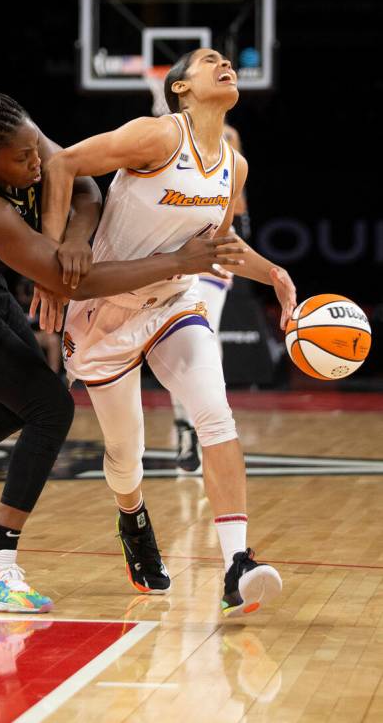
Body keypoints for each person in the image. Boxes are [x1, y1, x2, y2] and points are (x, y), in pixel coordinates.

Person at [0, 71, 243, 614]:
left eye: (33, 150)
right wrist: (176, 263)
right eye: (22, 162)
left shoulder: (16, 135)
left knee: (32, 397)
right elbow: (81, 284)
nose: (36, 165)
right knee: (50, 407)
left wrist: (64, 241)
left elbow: (83, 185)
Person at [43, 48, 296, 616]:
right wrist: (55, 259)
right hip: (103, 309)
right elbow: (62, 165)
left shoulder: (237, 165)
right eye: (211, 60)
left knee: (216, 410)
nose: (226, 64)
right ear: (181, 88)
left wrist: (274, 273)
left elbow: (218, 247)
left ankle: (238, 564)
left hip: (174, 302)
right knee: (125, 456)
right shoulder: (156, 136)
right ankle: (132, 517)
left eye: (229, 60)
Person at [171, 121, 247, 472]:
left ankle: (207, 424)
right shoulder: (164, 135)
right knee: (181, 336)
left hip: (215, 240)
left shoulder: (229, 138)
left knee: (205, 334)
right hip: (177, 241)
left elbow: (239, 203)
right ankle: (184, 423)